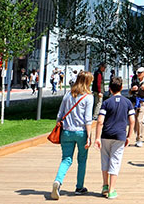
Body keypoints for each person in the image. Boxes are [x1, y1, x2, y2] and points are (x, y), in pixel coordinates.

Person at [51, 70, 94, 200]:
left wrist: (59, 126)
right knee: (82, 160)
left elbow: (59, 115)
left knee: (66, 159)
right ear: (88, 82)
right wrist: (89, 136)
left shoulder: (68, 95)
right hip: (81, 132)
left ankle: (58, 181)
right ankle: (79, 187)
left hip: (67, 131)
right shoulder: (88, 97)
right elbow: (88, 119)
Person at [95, 77, 134, 199]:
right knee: (115, 161)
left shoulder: (106, 103)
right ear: (121, 88)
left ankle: (105, 185)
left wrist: (97, 137)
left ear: (110, 89)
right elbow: (132, 120)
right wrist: (129, 136)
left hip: (106, 135)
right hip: (120, 135)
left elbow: (100, 121)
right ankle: (112, 189)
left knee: (105, 160)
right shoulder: (127, 103)